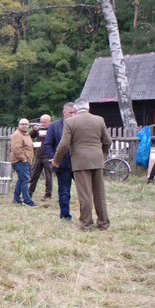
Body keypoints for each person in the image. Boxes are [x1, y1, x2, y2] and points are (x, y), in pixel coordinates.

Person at [52, 98, 111, 230]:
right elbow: (107, 140)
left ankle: (86, 224)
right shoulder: (99, 119)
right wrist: (100, 153)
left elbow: (64, 144)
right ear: (88, 108)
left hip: (80, 161)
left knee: (85, 195)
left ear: (76, 109)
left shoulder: (70, 122)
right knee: (99, 194)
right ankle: (103, 223)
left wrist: (56, 160)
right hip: (97, 160)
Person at [43, 102, 76, 220]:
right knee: (64, 192)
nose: (73, 115)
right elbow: (47, 144)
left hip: (78, 164)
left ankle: (86, 215)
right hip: (62, 165)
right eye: (70, 112)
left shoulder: (79, 125)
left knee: (84, 191)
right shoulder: (55, 126)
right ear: (64, 113)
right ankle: (65, 216)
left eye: (75, 112)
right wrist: (53, 158)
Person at [11, 118, 37, 207]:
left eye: (26, 124)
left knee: (21, 179)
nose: (24, 125)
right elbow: (16, 149)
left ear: (28, 125)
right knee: (25, 180)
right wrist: (23, 159)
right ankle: (27, 200)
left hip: (26, 160)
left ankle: (16, 198)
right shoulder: (17, 135)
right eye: (22, 124)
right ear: (18, 125)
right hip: (20, 161)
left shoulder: (26, 134)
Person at [29, 114, 53, 201]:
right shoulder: (39, 130)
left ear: (49, 122)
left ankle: (48, 194)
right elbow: (30, 136)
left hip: (48, 156)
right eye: (41, 122)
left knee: (48, 176)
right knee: (34, 175)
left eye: (44, 122)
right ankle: (30, 192)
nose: (43, 123)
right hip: (39, 156)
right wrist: (34, 131)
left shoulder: (52, 129)